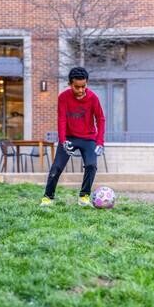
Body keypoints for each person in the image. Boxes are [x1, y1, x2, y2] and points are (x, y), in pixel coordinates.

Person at [41, 67, 105, 206]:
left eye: (83, 86)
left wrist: (100, 142)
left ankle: (84, 197)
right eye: (77, 87)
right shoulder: (63, 98)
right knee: (56, 167)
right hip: (69, 137)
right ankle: (48, 197)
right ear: (70, 84)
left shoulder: (93, 98)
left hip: (88, 138)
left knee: (91, 165)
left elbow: (100, 119)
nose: (81, 90)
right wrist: (63, 140)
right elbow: (62, 119)